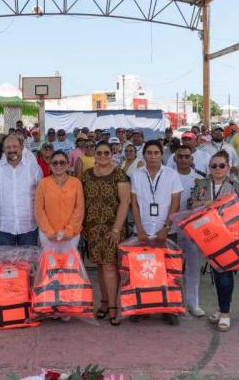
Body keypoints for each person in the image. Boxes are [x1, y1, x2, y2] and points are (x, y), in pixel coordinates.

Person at [188, 151, 239, 331]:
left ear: (228, 168)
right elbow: (191, 205)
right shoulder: (202, 184)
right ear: (209, 168)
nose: (218, 168)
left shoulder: (235, 185)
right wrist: (208, 203)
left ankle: (226, 313)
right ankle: (221, 309)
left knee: (225, 274)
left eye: (221, 165)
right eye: (214, 166)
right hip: (207, 235)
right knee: (216, 273)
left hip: (229, 236)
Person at [130, 140, 183, 325]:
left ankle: (169, 309)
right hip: (143, 229)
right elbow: (134, 204)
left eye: (156, 152)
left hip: (166, 230)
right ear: (143, 155)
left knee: (169, 272)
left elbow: (176, 202)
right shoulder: (136, 175)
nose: (152, 156)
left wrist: (166, 228)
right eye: (149, 153)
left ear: (162, 155)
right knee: (144, 271)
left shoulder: (172, 175)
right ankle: (144, 307)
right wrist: (140, 230)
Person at [82, 142, 130, 326]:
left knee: (110, 266)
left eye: (106, 152)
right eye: (99, 152)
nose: (102, 155)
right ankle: (103, 302)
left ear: (112, 154)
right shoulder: (87, 175)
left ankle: (112, 306)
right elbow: (84, 201)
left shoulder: (119, 173)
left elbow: (125, 202)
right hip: (93, 228)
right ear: (94, 154)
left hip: (113, 229)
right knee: (100, 266)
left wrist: (117, 228)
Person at [0, 135, 42, 246]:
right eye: (8, 147)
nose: (12, 150)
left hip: (29, 227)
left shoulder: (34, 168)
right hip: (4, 227)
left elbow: (40, 195)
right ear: (3, 149)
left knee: (28, 262)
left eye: (15, 146)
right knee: (4, 263)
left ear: (21, 148)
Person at [172, 145, 206, 317]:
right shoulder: (168, 177)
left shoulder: (199, 180)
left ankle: (193, 303)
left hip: (192, 231)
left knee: (192, 269)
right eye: (180, 156)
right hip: (170, 230)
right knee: (172, 269)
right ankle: (174, 303)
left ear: (192, 159)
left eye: (187, 156)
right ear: (174, 159)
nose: (183, 159)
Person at [35, 151, 84, 249]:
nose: (58, 165)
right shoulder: (43, 183)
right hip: (47, 235)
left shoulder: (76, 183)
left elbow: (79, 209)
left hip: (71, 235)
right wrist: (49, 232)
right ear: (50, 166)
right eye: (55, 162)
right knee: (50, 264)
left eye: (62, 162)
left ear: (67, 165)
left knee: (69, 264)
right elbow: (39, 210)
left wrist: (69, 231)